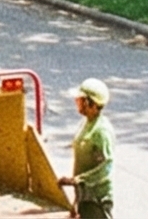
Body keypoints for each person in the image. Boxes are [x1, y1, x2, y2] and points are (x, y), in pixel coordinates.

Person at [58, 77, 114, 219]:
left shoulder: (101, 131)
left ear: (90, 103)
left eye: (80, 100)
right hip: (84, 194)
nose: (76, 102)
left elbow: (105, 167)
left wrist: (78, 180)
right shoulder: (87, 123)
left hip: (96, 199)